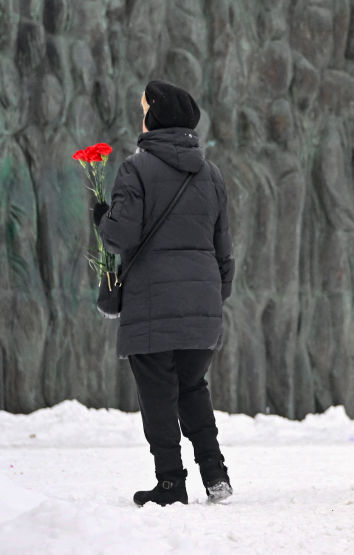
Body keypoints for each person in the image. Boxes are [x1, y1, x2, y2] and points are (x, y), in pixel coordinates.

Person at [94, 80, 235, 507]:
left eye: (144, 109)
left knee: (158, 394)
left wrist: (100, 216)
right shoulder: (211, 174)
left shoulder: (137, 168)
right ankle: (215, 475)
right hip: (202, 301)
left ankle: (170, 483)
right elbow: (223, 248)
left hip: (153, 302)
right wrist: (214, 297)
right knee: (193, 387)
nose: (141, 116)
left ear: (154, 117)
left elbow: (119, 236)